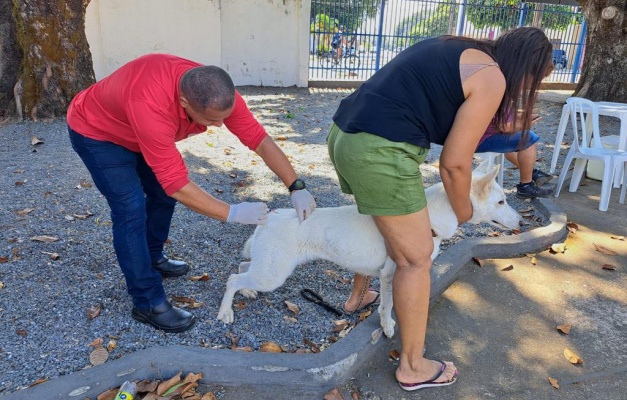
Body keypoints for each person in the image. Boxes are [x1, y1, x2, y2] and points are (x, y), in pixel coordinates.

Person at [327, 27, 553, 391]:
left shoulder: (459, 48)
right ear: (526, 68)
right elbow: (453, 164)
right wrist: (464, 210)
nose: (526, 89)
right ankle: (413, 367)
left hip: (345, 135)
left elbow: (440, 119)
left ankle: (360, 295)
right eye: (533, 80)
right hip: (379, 149)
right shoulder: (492, 77)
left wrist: (496, 124)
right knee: (416, 259)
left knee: (385, 227)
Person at [66, 54, 316, 333]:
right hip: (99, 133)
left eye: (224, 118)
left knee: (160, 196)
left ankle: (151, 257)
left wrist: (296, 186)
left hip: (141, 132)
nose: (221, 125)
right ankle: (147, 301)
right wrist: (232, 213)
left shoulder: (214, 91)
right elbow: (177, 184)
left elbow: (258, 139)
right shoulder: (151, 105)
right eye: (212, 120)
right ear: (184, 103)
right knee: (130, 209)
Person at [476, 111, 554, 198]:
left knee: (515, 140)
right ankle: (526, 186)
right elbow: (504, 127)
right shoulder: (493, 97)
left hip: (476, 134)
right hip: (479, 139)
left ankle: (532, 172)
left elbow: (502, 114)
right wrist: (524, 124)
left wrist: (522, 115)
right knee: (528, 138)